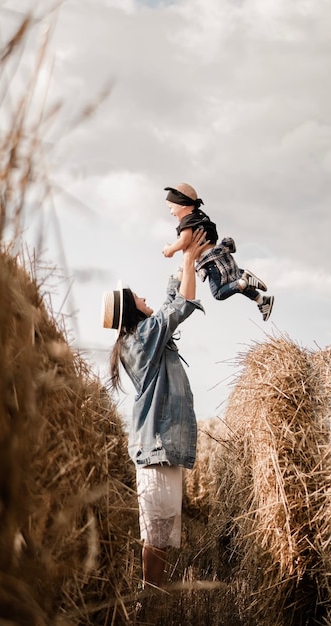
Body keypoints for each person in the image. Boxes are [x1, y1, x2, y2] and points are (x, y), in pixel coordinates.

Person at [101, 229, 206, 593]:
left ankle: (152, 600)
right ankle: (150, 603)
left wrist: (185, 259)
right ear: (131, 310)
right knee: (156, 535)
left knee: (160, 533)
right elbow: (177, 309)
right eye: (137, 297)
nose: (143, 297)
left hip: (161, 448)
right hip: (156, 448)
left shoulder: (141, 336)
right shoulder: (141, 340)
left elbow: (170, 302)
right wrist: (189, 258)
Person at [162, 183, 275, 322]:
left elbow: (184, 241)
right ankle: (261, 300)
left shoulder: (187, 221)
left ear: (183, 205)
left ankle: (245, 281)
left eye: (171, 207)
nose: (170, 212)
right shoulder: (200, 216)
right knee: (234, 283)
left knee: (219, 293)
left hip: (212, 262)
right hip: (221, 255)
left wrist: (170, 249)